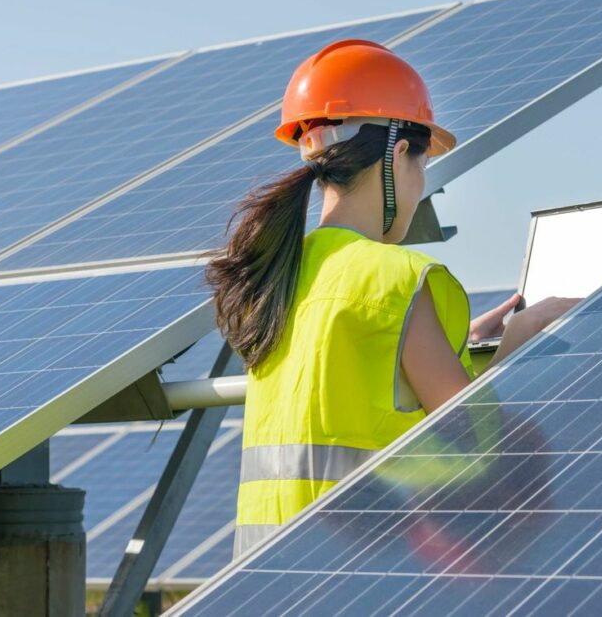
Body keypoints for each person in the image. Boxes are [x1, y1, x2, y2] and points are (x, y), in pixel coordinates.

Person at [206, 39, 578, 556]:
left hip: (261, 575)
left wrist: (462, 345)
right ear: (398, 155)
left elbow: (345, 389)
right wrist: (515, 346)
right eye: (423, 166)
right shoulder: (397, 276)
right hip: (357, 572)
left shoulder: (275, 273)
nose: (421, 185)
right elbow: (475, 442)